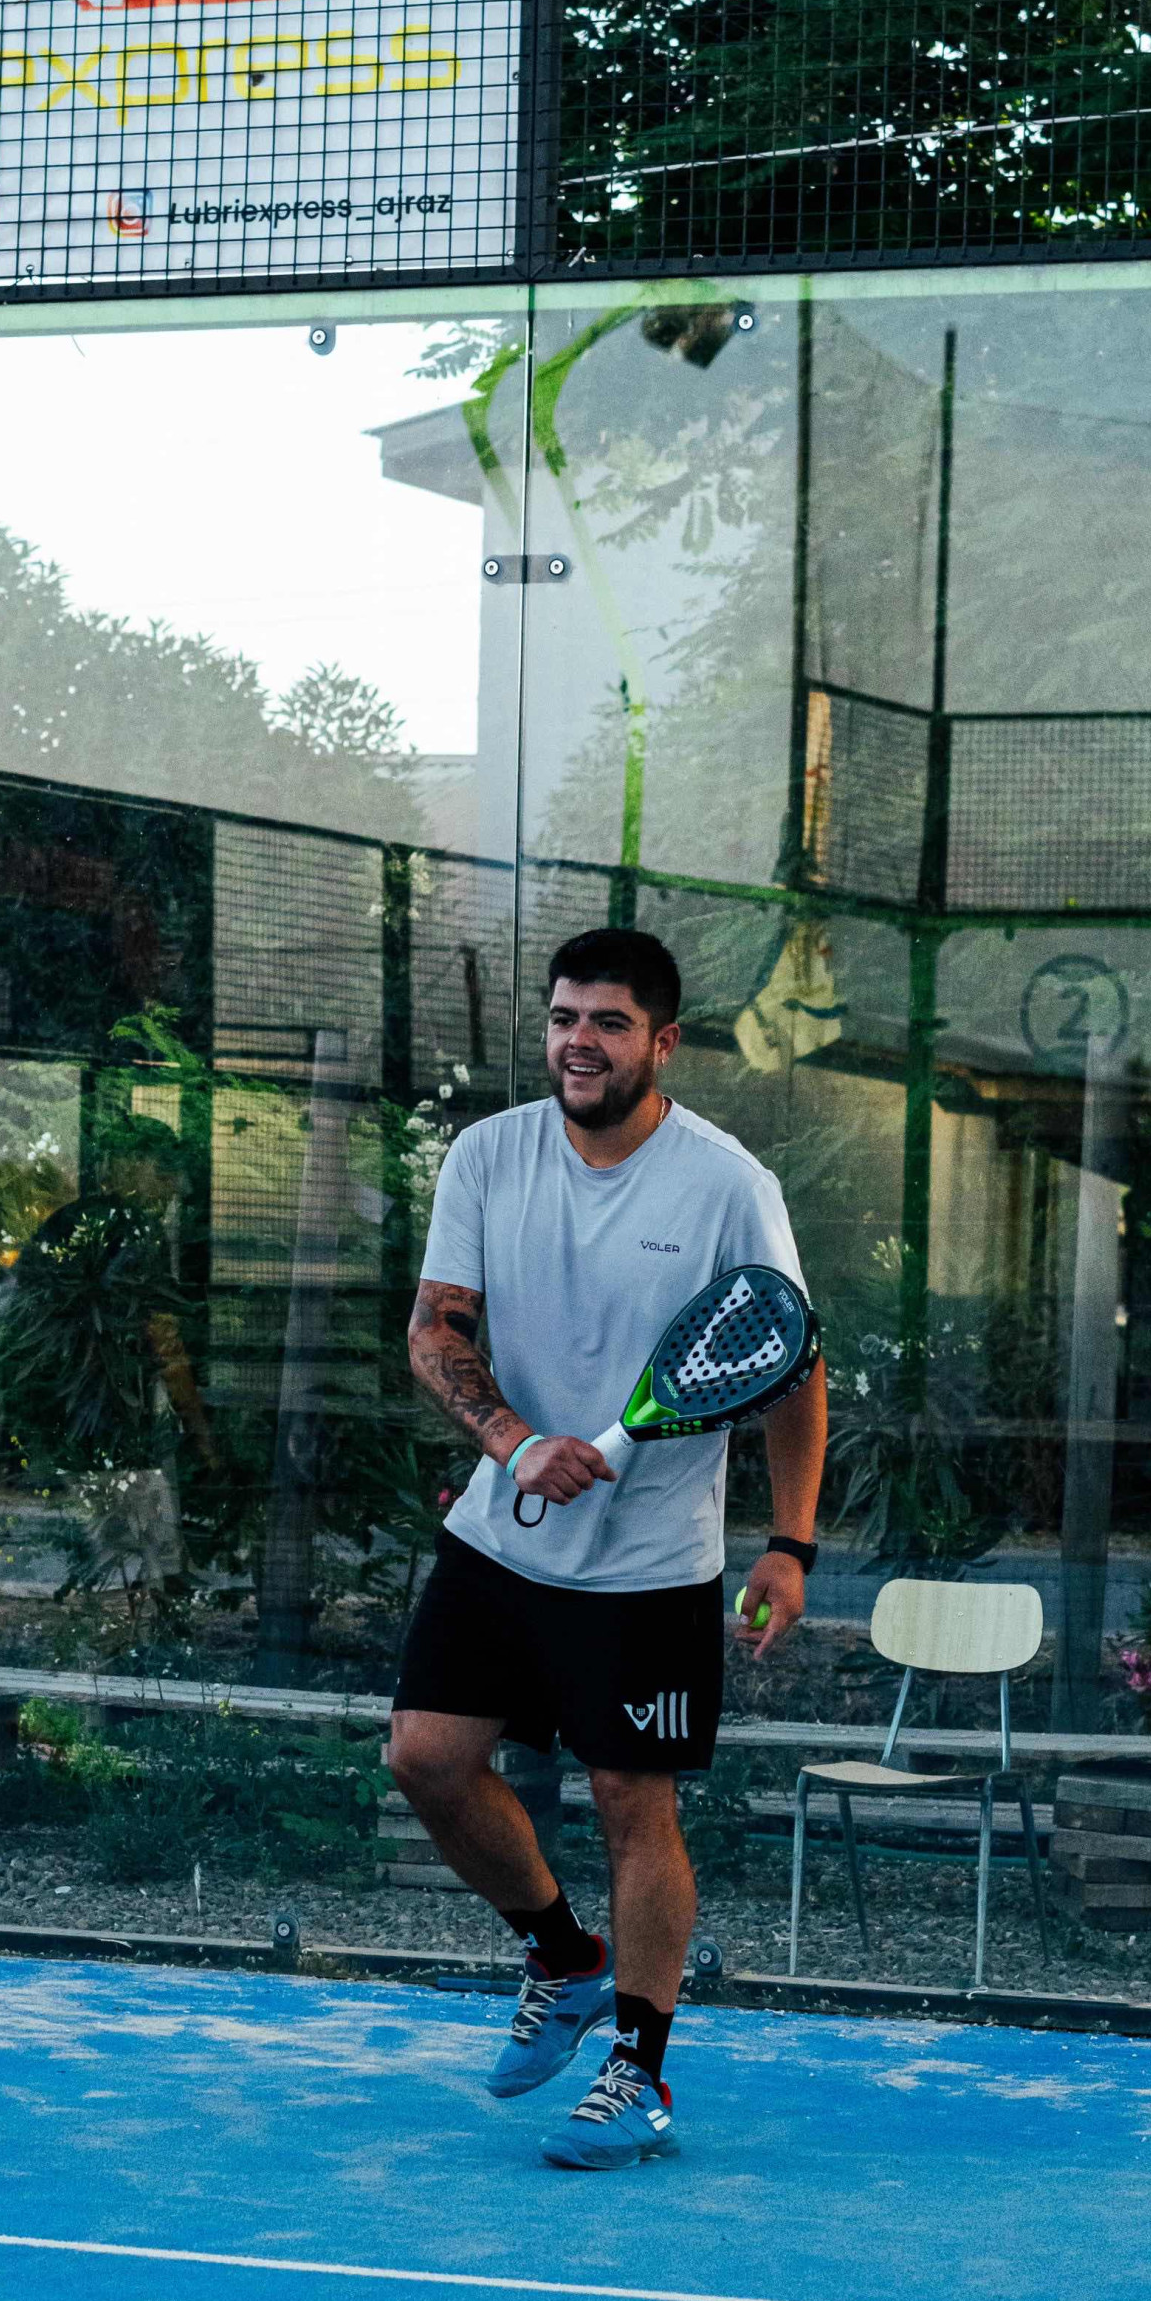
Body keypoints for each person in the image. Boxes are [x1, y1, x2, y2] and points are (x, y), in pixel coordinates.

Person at [390, 926, 826, 2170]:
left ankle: (639, 2069)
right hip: (500, 1534)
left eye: (607, 1022)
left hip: (648, 1562)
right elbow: (435, 1330)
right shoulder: (488, 1154)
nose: (577, 1041)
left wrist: (788, 1542)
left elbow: (788, 1362)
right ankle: (562, 1956)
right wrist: (516, 1441)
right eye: (562, 1017)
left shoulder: (727, 1184)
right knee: (425, 1757)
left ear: (662, 1041)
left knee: (633, 1804)